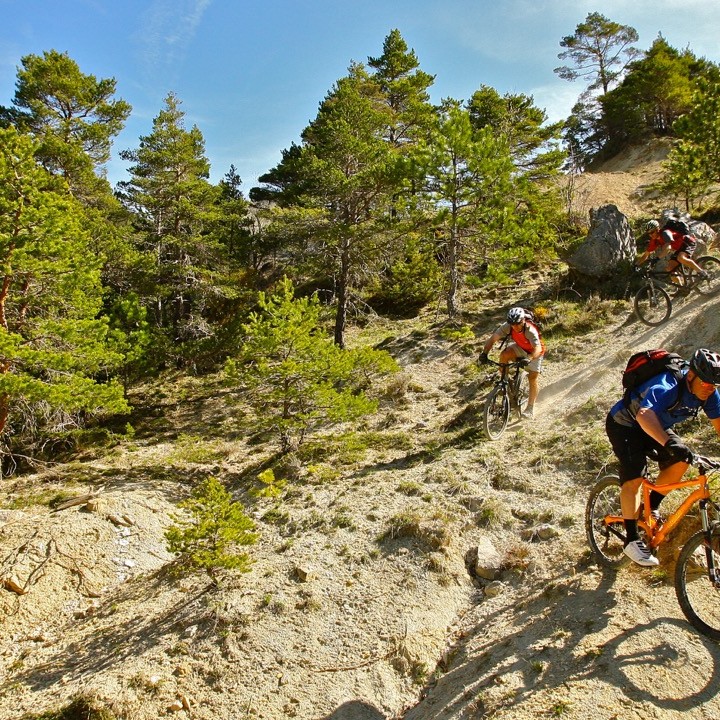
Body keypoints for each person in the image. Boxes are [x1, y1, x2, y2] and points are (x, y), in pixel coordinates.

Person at [605, 348, 720, 566]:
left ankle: (651, 506)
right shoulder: (667, 384)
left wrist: (673, 446)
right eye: (705, 383)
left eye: (714, 385)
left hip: (656, 426)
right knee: (635, 478)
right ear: (691, 375)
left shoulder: (709, 394)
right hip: (625, 424)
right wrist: (668, 442)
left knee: (681, 461)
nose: (709, 389)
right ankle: (631, 539)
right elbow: (644, 414)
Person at [478, 307, 545, 419]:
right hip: (520, 347)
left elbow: (537, 348)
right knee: (504, 355)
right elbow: (493, 339)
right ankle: (505, 383)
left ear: (523, 320)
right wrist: (484, 354)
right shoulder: (508, 326)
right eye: (512, 324)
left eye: (517, 324)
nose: (515, 327)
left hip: (534, 351)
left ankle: (530, 408)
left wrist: (529, 358)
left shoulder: (530, 330)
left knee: (532, 377)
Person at [634, 218, 707, 283]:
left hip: (687, 242)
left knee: (681, 258)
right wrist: (636, 264)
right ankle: (682, 288)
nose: (651, 235)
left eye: (652, 232)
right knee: (670, 269)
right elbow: (646, 254)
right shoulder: (654, 240)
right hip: (678, 249)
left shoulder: (665, 233)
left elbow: (668, 247)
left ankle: (702, 272)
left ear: (657, 229)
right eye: (649, 233)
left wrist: (657, 258)